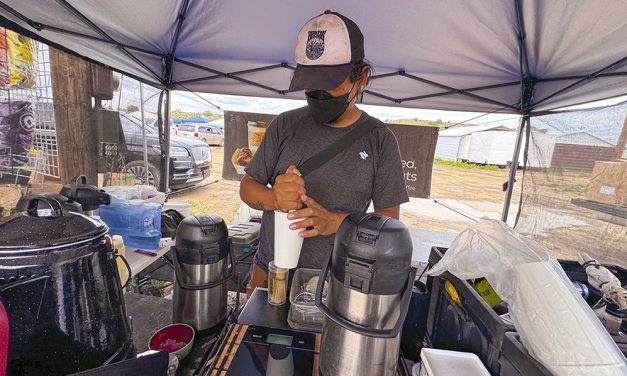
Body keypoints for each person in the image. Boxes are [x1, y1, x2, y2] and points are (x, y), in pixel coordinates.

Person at [240, 10, 409, 296]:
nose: (318, 93)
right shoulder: (285, 125)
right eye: (310, 83)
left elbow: (388, 223)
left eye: (330, 84)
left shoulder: (379, 140)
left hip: (334, 283)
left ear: (362, 77)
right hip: (271, 275)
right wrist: (273, 198)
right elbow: (248, 188)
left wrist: (337, 222)